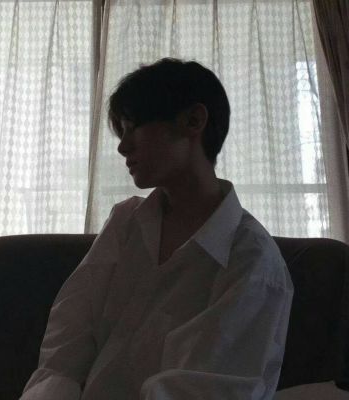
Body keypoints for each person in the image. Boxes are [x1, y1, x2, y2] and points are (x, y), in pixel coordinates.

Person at [20, 58, 294, 400]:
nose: (123, 146)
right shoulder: (126, 222)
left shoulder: (252, 261)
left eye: (132, 127)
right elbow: (66, 345)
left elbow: (206, 389)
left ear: (193, 121)